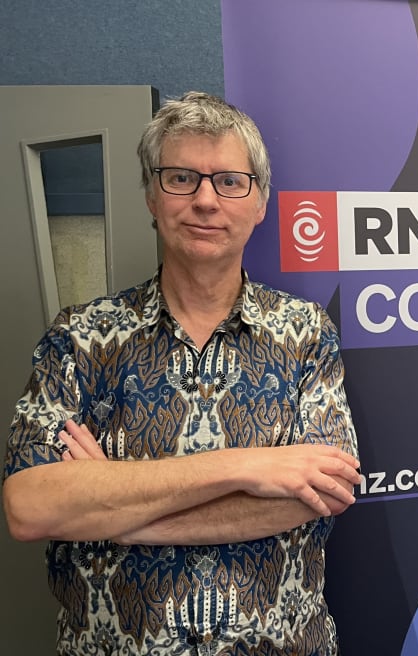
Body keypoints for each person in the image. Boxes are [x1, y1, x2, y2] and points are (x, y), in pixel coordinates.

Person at [1, 91, 361, 655]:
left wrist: (115, 514)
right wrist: (249, 465)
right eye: (181, 178)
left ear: (260, 202)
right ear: (150, 194)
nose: (205, 201)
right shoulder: (78, 339)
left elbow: (323, 491)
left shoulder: (305, 332)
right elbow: (32, 506)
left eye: (229, 181)